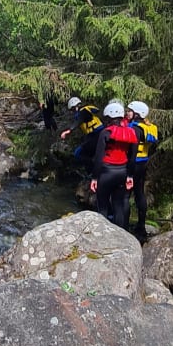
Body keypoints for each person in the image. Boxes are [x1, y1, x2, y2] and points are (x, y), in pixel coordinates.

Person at [90, 101, 138, 229]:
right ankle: (121, 235)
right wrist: (130, 176)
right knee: (118, 206)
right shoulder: (132, 132)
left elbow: (99, 158)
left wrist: (94, 178)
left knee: (103, 207)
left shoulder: (105, 133)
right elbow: (132, 158)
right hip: (122, 172)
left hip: (106, 172)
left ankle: (103, 237)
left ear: (109, 117)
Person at [127, 100, 158, 241]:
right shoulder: (146, 127)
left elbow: (132, 152)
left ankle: (123, 226)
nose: (127, 113)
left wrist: (128, 173)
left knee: (125, 195)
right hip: (143, 163)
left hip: (133, 164)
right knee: (139, 193)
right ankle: (141, 226)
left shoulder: (135, 129)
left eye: (130, 111)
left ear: (137, 114)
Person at [60, 97, 105, 174]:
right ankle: (94, 171)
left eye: (72, 110)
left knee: (78, 153)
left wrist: (68, 131)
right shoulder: (87, 110)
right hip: (96, 135)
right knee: (88, 154)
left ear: (75, 107)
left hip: (96, 135)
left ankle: (93, 172)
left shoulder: (83, 111)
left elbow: (79, 121)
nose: (72, 112)